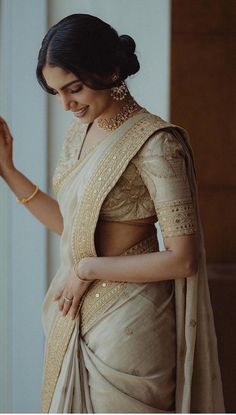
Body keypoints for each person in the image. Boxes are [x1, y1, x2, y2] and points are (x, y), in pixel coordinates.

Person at [0, 13, 224, 413]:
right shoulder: (78, 135)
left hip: (130, 326)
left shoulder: (157, 144)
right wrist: (9, 171)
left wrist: (86, 270)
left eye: (75, 89)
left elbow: (183, 258)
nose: (67, 104)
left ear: (112, 70)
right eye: (57, 93)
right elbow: (74, 230)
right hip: (76, 313)